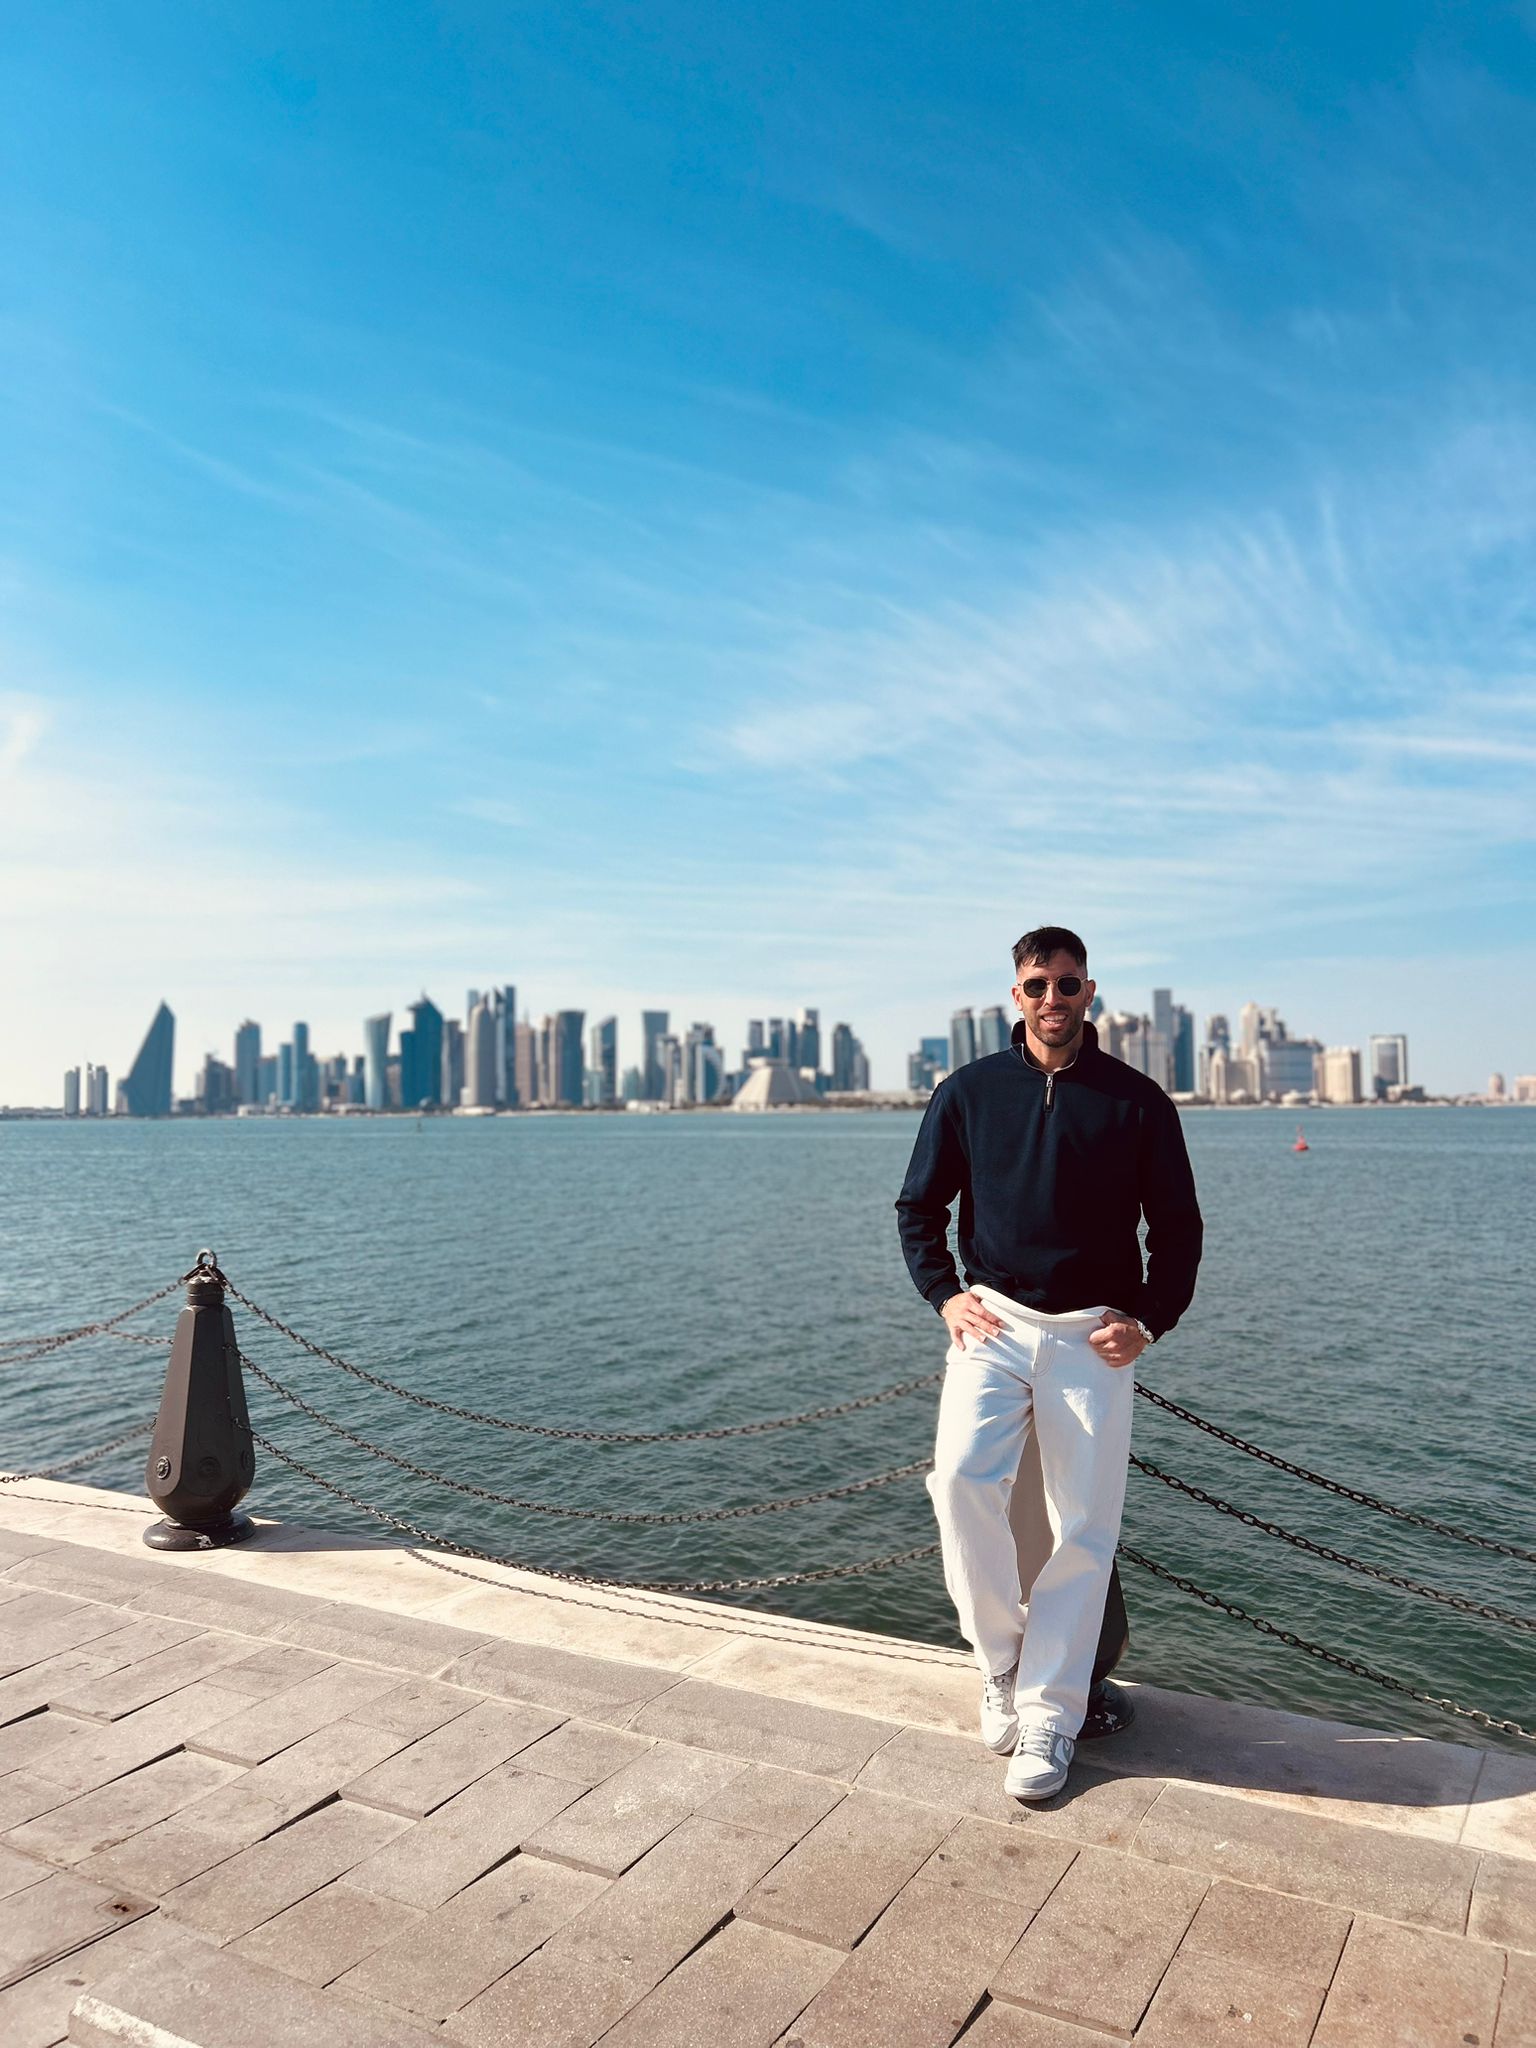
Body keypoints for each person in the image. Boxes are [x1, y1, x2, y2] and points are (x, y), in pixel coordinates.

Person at [896, 925, 1202, 1799]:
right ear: (1016, 996)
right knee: (958, 1482)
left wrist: (1149, 1319)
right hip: (991, 1322)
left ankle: (1052, 1718)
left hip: (1093, 1336)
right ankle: (999, 1665)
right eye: (1037, 985)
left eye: (1067, 985)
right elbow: (918, 1206)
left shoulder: (1139, 1102)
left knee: (1084, 1528)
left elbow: (1178, 1230)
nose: (1052, 1000)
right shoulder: (967, 1093)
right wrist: (944, 1294)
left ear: (1090, 993)